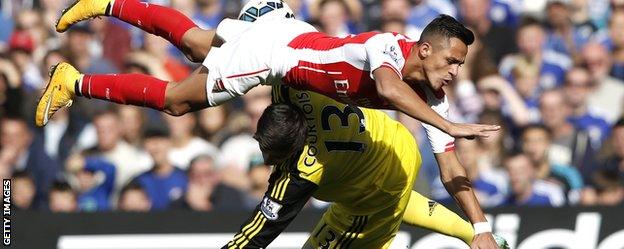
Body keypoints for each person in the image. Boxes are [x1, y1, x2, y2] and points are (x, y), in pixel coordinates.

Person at [35, 0, 499, 142]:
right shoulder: (386, 51)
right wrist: (450, 124)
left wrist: (476, 228)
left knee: (197, 41)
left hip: (287, 34)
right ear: (422, 49)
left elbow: (448, 155)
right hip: (273, 56)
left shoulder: (428, 95)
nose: (457, 71)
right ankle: (74, 81)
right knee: (178, 101)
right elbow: (388, 89)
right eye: (452, 60)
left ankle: (108, 3)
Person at [222, 84, 505, 248]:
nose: (268, 160)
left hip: (374, 189)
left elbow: (257, 233)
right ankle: (478, 237)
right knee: (397, 201)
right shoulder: (293, 85)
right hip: (394, 143)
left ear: (295, 147)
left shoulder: (305, 170)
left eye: (275, 154)